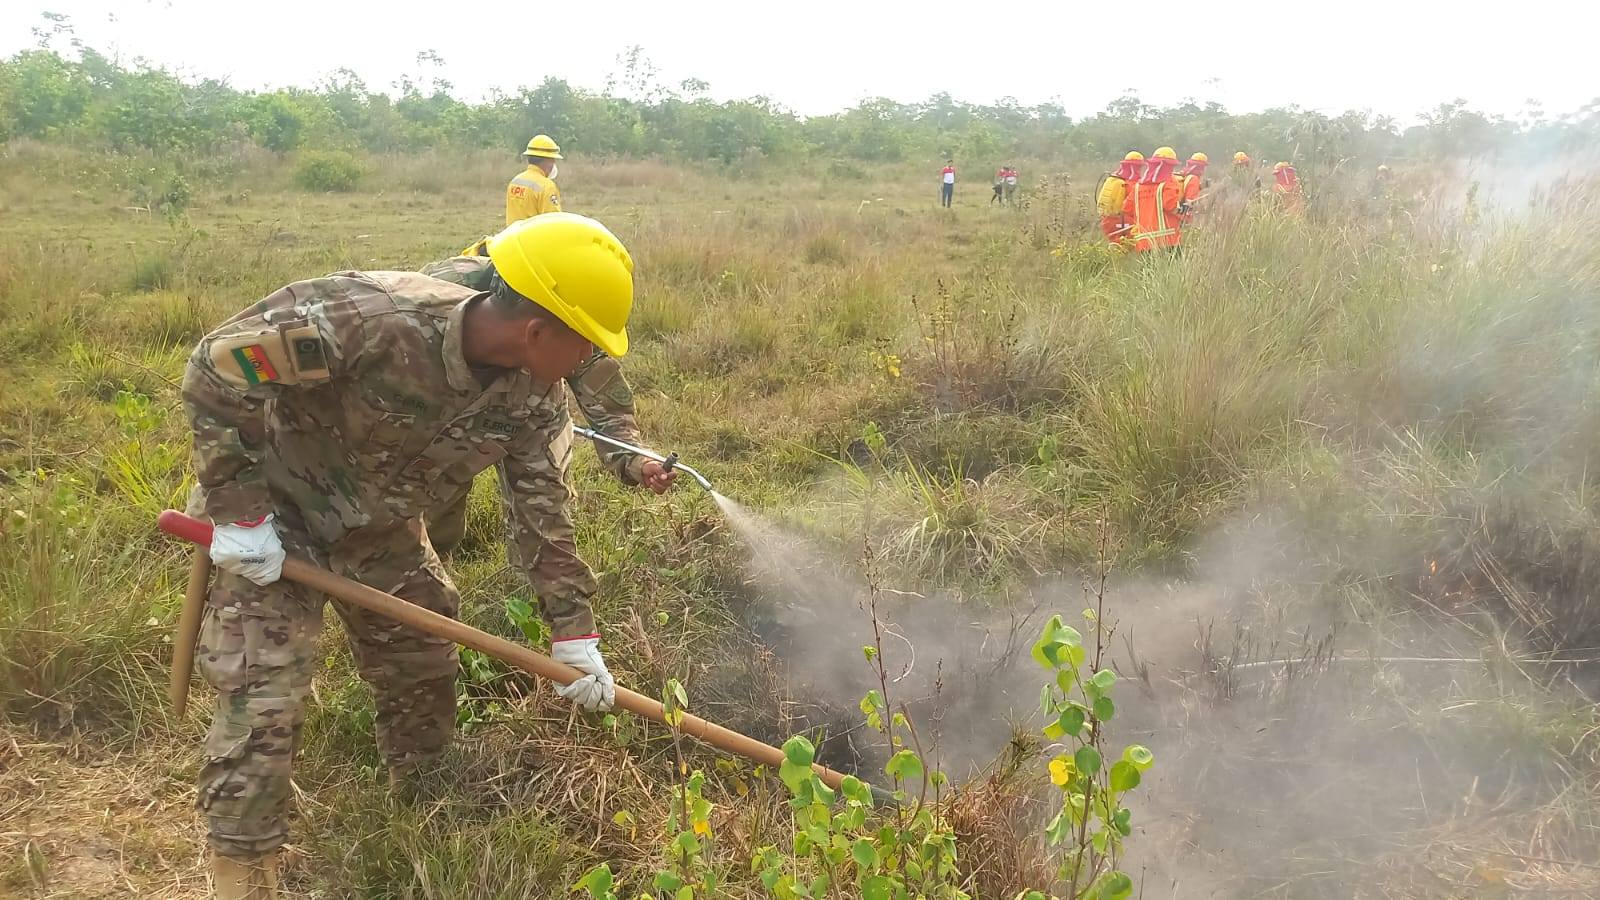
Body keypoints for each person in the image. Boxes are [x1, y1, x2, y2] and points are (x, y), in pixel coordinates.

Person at [183, 213, 636, 899]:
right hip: (275, 516)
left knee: (423, 658)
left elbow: (542, 510)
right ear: (538, 330)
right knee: (264, 696)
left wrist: (575, 634)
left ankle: (421, 804)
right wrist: (240, 512)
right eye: (587, 345)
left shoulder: (532, 400)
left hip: (380, 530)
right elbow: (217, 367)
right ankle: (243, 873)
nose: (589, 363)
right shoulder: (372, 320)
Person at [417, 253, 675, 553]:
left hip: (531, 410)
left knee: (547, 504)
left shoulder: (568, 314)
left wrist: (636, 459)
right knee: (435, 507)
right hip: (443, 402)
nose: (586, 349)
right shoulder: (439, 300)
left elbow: (604, 396)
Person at [1124, 146, 1184, 252]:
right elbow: (1171, 206)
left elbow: (1127, 208)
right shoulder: (1169, 183)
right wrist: (1185, 209)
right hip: (1168, 241)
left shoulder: (1138, 186)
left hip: (1143, 242)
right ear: (1169, 166)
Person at [506, 134, 564, 224]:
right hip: (534, 238)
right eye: (553, 160)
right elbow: (553, 222)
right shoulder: (547, 186)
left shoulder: (515, 182)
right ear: (548, 161)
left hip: (513, 237)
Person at [1097, 151, 1145, 246]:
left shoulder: (1113, 178)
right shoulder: (1130, 183)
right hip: (1122, 221)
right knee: (1129, 244)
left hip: (1107, 220)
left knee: (1115, 244)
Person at [1177, 152, 1209, 224]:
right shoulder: (1194, 179)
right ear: (1201, 168)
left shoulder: (1182, 175)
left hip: (1174, 214)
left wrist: (1200, 187)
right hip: (1182, 218)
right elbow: (1190, 203)